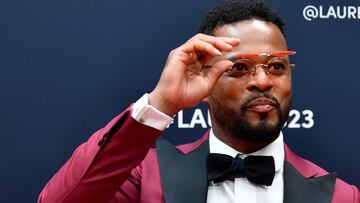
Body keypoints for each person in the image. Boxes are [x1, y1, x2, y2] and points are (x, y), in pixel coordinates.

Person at [38, 0, 359, 202]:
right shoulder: (145, 176)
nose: (262, 81)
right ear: (203, 85)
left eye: (276, 67)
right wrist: (162, 102)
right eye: (239, 67)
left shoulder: (341, 196)